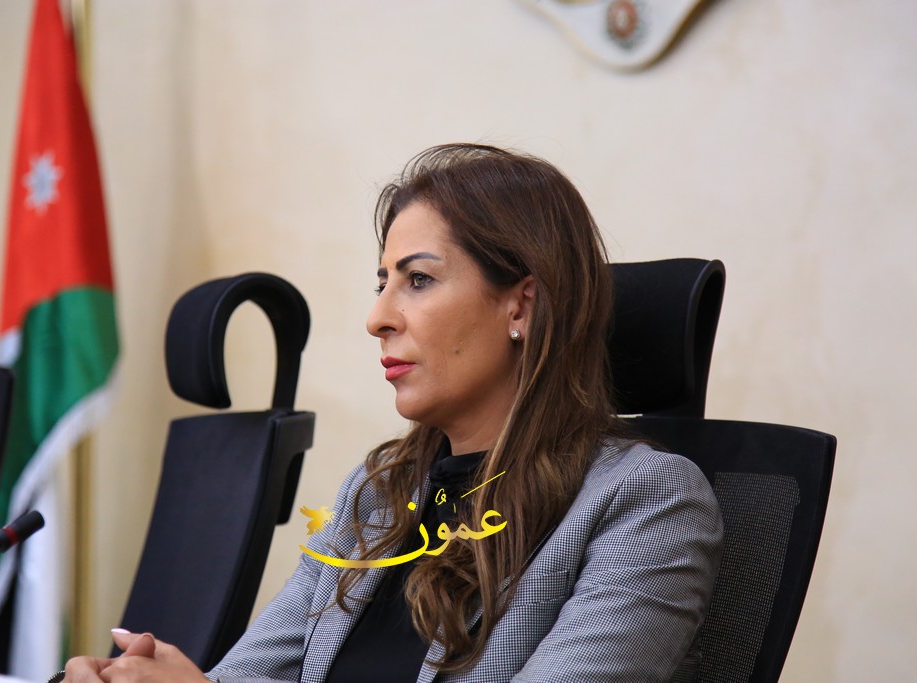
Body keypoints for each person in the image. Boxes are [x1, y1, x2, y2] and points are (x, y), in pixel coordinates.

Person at [61, 143, 723, 683]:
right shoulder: (378, 492)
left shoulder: (647, 501)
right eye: (383, 282)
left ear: (520, 305)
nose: (377, 317)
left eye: (418, 280)